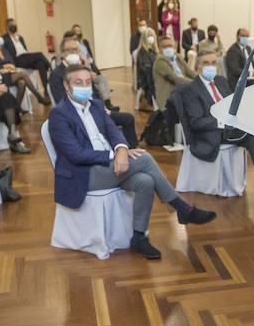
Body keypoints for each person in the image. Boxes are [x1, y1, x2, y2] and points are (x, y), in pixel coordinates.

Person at [48, 64, 215, 259]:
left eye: (87, 82)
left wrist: (121, 149)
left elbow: (113, 132)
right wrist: (115, 155)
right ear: (67, 86)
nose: (84, 86)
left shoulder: (96, 106)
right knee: (144, 158)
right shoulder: (59, 114)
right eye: (78, 83)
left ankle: (138, 237)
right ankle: (181, 208)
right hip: (84, 175)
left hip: (109, 168)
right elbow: (76, 154)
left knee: (146, 181)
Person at [179, 51, 254, 203]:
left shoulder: (221, 81)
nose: (211, 66)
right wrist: (222, 121)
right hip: (212, 134)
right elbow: (196, 122)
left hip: (231, 130)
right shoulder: (191, 89)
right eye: (206, 63)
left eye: (214, 63)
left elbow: (231, 106)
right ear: (197, 67)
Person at [49, 39, 137, 146]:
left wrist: (103, 107)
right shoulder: (57, 74)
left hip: (96, 109)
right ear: (62, 53)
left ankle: (131, 149)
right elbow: (60, 100)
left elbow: (95, 92)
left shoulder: (82, 69)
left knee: (128, 118)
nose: (73, 53)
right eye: (68, 50)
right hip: (80, 115)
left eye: (75, 50)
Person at [0, 18, 52, 94]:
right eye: (12, 25)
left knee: (40, 63)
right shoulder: (4, 39)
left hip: (25, 58)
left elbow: (25, 50)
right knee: (39, 54)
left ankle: (46, 90)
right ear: (7, 27)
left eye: (15, 24)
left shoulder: (20, 38)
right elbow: (4, 53)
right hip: (16, 59)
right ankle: (50, 67)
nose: (14, 26)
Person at [152, 36, 194, 117]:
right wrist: (197, 83)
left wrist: (204, 78)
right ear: (160, 48)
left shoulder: (177, 57)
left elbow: (190, 72)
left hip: (184, 90)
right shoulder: (159, 62)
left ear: (174, 46)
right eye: (164, 46)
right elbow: (175, 79)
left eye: (170, 46)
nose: (168, 48)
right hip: (169, 97)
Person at [134, 29, 158, 111]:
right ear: (144, 38)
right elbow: (144, 69)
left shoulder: (154, 51)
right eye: (148, 36)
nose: (151, 38)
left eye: (152, 35)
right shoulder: (142, 52)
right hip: (146, 79)